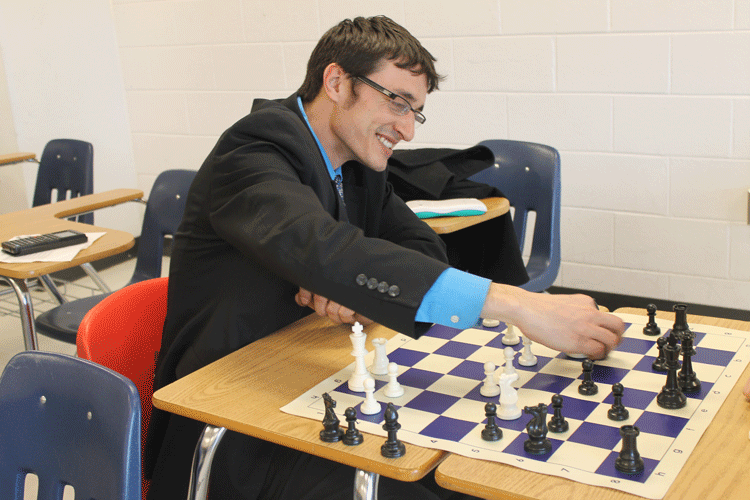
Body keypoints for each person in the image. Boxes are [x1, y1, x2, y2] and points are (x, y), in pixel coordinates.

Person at [146, 15, 626, 500]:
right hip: (227, 414)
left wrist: (353, 289)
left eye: (414, 112)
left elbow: (420, 246)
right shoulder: (253, 150)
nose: (406, 130)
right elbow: (322, 248)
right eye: (395, 102)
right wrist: (521, 305)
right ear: (336, 82)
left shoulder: (356, 164)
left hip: (309, 378)